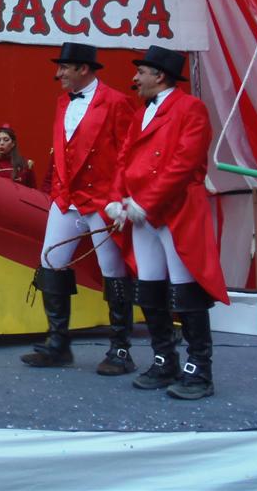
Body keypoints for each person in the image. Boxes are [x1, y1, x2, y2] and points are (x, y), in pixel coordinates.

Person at [107, 45, 229, 400]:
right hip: (141, 214)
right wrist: (117, 199)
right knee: (148, 286)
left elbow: (184, 163)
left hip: (176, 210)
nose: (135, 79)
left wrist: (146, 201)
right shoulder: (141, 113)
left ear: (159, 76)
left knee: (185, 289)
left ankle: (199, 369)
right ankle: (164, 359)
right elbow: (123, 160)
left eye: (140, 72)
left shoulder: (191, 108)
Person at [21, 42, 137, 376]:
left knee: (113, 272)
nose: (58, 74)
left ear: (83, 69)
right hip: (66, 198)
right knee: (50, 263)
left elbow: (129, 153)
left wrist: (122, 199)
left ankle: (120, 349)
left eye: (64, 68)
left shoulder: (116, 102)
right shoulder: (63, 102)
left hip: (102, 200)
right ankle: (58, 343)